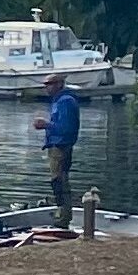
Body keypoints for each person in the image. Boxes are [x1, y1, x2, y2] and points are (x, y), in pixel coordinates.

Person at [33, 74, 80, 228]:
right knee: (58, 181)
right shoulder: (60, 101)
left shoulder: (65, 101)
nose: (47, 87)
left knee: (59, 182)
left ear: (60, 84)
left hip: (61, 147)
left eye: (50, 84)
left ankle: (63, 217)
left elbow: (66, 128)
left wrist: (46, 124)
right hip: (57, 146)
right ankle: (63, 214)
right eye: (46, 84)